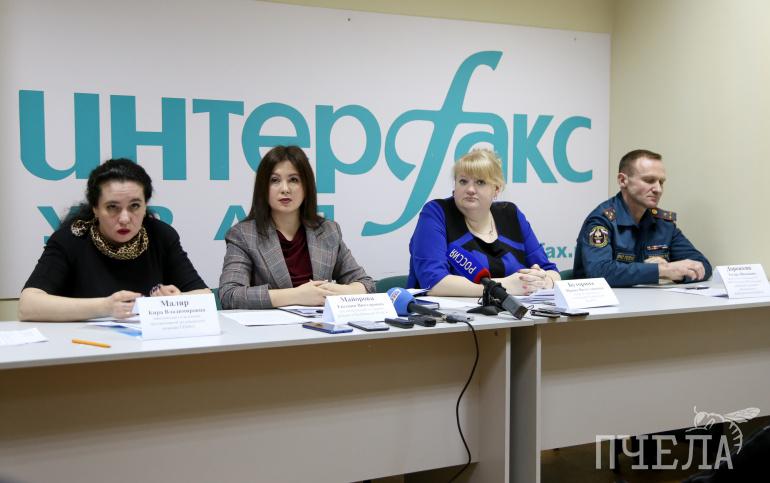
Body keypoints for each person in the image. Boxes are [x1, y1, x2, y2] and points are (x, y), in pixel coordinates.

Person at [19, 158, 210, 322]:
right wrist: (105, 307)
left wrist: (177, 300)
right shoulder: (71, 239)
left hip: (147, 345)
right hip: (85, 346)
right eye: (112, 207)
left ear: (145, 206)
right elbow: (27, 305)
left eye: (135, 206)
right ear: (95, 208)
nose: (125, 218)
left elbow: (205, 296)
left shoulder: (161, 235)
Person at [218, 145, 375, 309]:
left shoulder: (328, 231)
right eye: (275, 180)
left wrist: (331, 292)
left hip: (321, 323)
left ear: (306, 187)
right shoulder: (244, 235)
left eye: (293, 180)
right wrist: (298, 295)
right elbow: (230, 295)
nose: (285, 189)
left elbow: (366, 284)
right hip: (273, 325)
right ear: (263, 188)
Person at [408, 148, 560, 296]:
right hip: (446, 312)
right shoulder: (436, 213)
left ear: (496, 189)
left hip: (513, 311)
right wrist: (504, 287)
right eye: (463, 181)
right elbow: (433, 282)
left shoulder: (511, 214)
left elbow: (551, 271)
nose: (470, 189)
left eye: (480, 182)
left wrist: (545, 282)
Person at [573, 149, 712, 286]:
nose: (658, 189)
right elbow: (599, 272)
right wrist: (661, 270)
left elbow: (702, 265)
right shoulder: (602, 221)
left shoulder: (663, 223)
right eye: (649, 180)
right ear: (623, 180)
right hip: (602, 300)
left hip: (649, 299)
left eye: (661, 182)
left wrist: (675, 273)